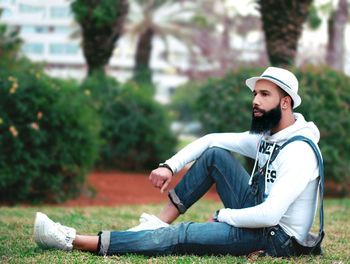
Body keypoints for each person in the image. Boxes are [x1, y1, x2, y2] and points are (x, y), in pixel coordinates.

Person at [34, 66, 323, 257]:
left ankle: (73, 240)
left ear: (286, 102)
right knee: (215, 155)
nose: (255, 101)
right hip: (259, 216)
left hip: (276, 239)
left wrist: (225, 216)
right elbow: (211, 139)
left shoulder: (299, 151)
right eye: (254, 94)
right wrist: (169, 165)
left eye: (264, 94)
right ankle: (156, 224)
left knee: (180, 236)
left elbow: (271, 215)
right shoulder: (268, 137)